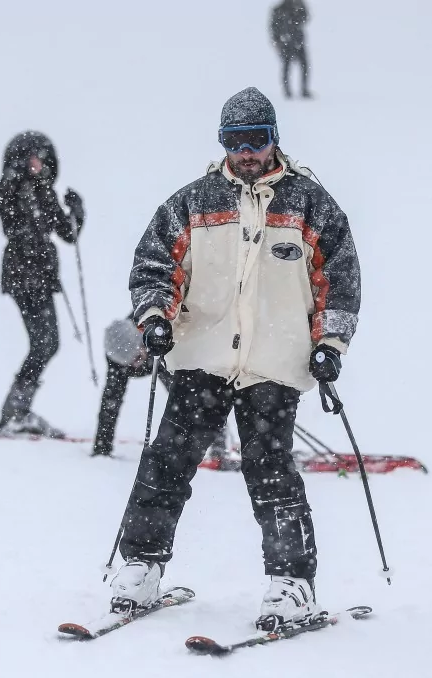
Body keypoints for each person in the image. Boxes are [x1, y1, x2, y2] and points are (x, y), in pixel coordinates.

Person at [105, 87, 360, 631]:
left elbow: (338, 279)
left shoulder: (309, 203)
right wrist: (155, 318)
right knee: (166, 464)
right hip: (201, 357)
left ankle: (291, 584)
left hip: (275, 362)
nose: (247, 152)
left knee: (272, 473)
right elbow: (154, 266)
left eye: (257, 140)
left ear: (274, 140)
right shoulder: (192, 202)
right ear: (222, 143)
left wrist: (329, 345)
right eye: (235, 141)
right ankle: (140, 568)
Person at [0, 131, 85, 438]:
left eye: (41, 159)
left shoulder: (45, 192)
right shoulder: (13, 187)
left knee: (47, 343)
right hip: (22, 272)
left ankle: (16, 410)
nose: (39, 164)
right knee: (45, 343)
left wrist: (77, 212)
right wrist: (12, 177)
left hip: (39, 274)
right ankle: (15, 412)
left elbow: (67, 234)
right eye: (34, 158)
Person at [92, 317, 229, 459]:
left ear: (141, 341)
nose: (135, 366)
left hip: (161, 356)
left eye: (137, 358)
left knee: (189, 398)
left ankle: (217, 445)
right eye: (129, 363)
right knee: (111, 401)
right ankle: (103, 445)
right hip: (138, 357)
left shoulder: (158, 333)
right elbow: (109, 404)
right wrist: (101, 449)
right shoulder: (117, 357)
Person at [270, 0, 312, 99]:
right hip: (285, 42)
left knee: (303, 65)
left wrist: (298, 10)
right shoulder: (279, 9)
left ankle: (303, 89)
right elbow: (274, 26)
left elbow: (305, 18)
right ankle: (288, 91)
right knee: (287, 66)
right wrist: (276, 41)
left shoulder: (299, 6)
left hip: (297, 41)